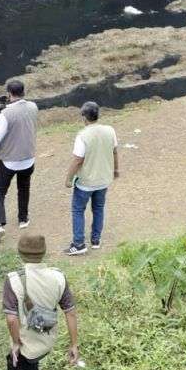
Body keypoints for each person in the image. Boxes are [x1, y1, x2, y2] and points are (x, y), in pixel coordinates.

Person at [2, 234, 79, 370]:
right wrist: (74, 345)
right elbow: (70, 312)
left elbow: (11, 319)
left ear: (20, 253)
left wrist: (17, 343)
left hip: (25, 347)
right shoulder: (58, 277)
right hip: (45, 343)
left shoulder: (13, 280)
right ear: (43, 253)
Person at [0, 79, 39, 244]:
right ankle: (23, 219)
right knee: (24, 187)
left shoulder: (6, 114)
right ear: (23, 91)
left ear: (9, 93)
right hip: (28, 158)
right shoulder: (33, 106)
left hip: (9, 161)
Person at [64, 101, 119, 256]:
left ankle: (79, 243)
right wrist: (115, 170)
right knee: (99, 208)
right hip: (104, 179)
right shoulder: (110, 130)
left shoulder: (82, 135)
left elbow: (77, 160)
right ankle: (96, 240)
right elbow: (115, 151)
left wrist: (68, 179)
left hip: (86, 182)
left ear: (84, 117)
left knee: (78, 210)